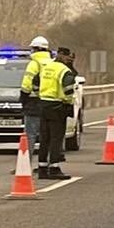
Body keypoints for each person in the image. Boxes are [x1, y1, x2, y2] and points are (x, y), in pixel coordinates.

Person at [37, 46, 78, 181]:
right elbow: (68, 91)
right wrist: (68, 102)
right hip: (57, 106)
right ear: (64, 56)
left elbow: (35, 84)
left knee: (45, 138)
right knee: (56, 138)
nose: (68, 59)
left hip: (43, 105)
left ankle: (42, 168)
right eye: (67, 57)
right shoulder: (64, 70)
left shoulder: (46, 67)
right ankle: (54, 168)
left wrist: (41, 95)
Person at [19, 35, 53, 156]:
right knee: (47, 136)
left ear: (36, 49)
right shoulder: (52, 63)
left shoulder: (34, 64)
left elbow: (26, 85)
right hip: (50, 103)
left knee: (30, 136)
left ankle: (25, 164)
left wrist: (23, 99)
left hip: (34, 103)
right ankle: (45, 164)